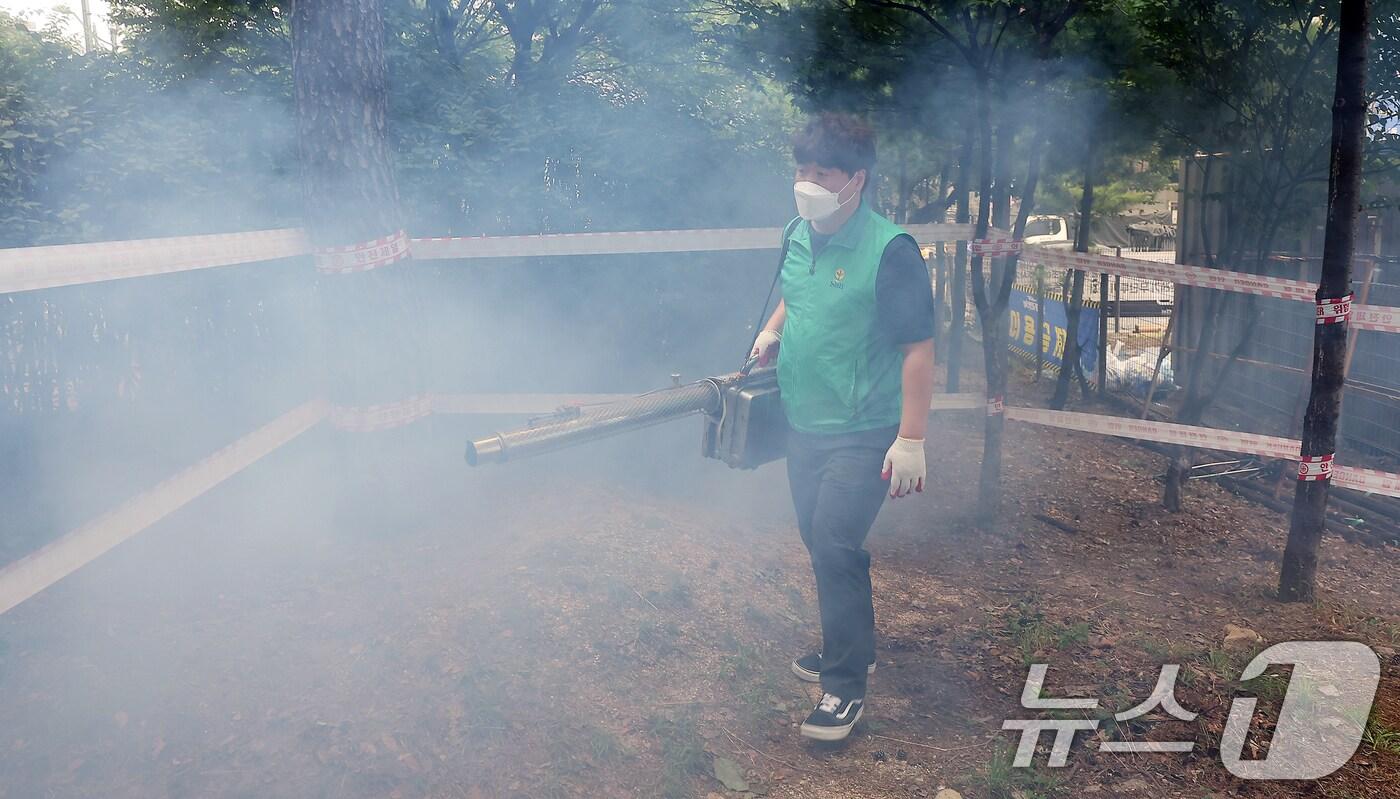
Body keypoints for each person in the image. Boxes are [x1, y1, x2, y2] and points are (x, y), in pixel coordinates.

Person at [749, 112, 935, 742]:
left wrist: (911, 437)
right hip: (804, 420)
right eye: (801, 170)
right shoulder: (798, 232)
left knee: (834, 543)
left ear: (855, 179)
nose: (807, 183)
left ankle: (844, 687)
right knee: (815, 536)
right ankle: (846, 643)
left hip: (866, 427)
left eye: (821, 172)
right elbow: (798, 293)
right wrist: (773, 329)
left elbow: (918, 349)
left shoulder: (891, 251)